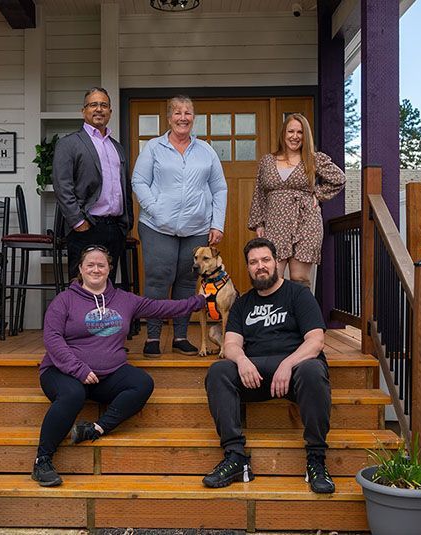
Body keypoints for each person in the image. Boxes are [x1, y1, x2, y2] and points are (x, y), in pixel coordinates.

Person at [32, 245, 207, 487]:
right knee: (73, 394)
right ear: (81, 269)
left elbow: (161, 308)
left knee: (142, 383)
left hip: (107, 375)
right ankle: (42, 460)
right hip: (62, 372)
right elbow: (52, 338)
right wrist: (78, 369)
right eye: (90, 265)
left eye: (101, 265)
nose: (95, 269)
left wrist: (199, 301)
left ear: (109, 270)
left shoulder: (124, 300)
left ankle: (95, 429)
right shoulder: (65, 300)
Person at [202, 237, 335, 494]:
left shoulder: (299, 295)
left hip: (294, 374)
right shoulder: (242, 304)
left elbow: (316, 341)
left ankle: (316, 459)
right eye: (253, 262)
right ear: (248, 268)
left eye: (265, 260)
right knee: (219, 371)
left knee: (312, 369)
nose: (260, 266)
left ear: (276, 262)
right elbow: (230, 344)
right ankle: (235, 457)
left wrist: (288, 363)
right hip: (255, 377)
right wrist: (241, 360)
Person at [132, 95, 228, 357]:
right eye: (177, 112)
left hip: (196, 228)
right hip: (156, 226)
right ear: (169, 117)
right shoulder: (153, 147)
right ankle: (153, 337)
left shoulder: (206, 151)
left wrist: (216, 223)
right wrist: (156, 209)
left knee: (187, 282)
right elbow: (139, 181)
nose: (183, 117)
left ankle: (181, 337)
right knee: (157, 281)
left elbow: (219, 188)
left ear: (193, 117)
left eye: (187, 113)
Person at [248, 113, 345, 288]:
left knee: (300, 278)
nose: (295, 136)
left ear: (305, 135)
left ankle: (301, 315)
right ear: (283, 133)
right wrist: (259, 223)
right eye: (290, 131)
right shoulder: (267, 161)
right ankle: (276, 315)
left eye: (300, 132)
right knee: (272, 277)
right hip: (276, 222)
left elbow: (338, 178)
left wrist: (317, 194)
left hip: (306, 220)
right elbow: (259, 193)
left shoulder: (314, 158)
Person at [52, 87, 133, 281]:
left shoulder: (117, 147)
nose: (99, 109)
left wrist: (125, 224)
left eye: (104, 105)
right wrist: (79, 222)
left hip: (114, 228)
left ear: (110, 112)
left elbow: (124, 186)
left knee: (108, 288)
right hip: (86, 227)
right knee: (82, 290)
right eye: (93, 104)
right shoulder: (69, 144)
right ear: (83, 111)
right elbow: (62, 186)